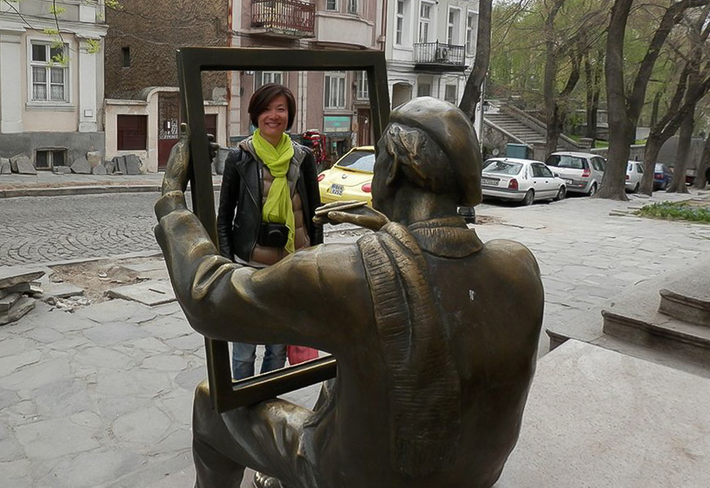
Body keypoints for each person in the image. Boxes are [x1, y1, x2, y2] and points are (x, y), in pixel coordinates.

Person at [155, 97, 543, 488]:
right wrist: (393, 231)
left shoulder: (342, 274)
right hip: (475, 476)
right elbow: (441, 293)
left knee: (211, 404)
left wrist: (172, 200)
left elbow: (207, 295)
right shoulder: (520, 267)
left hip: (352, 477)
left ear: (390, 173)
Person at [216, 83, 323, 381]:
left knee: (276, 350)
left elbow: (315, 216)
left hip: (291, 267)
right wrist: (226, 266)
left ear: (289, 115)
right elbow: (224, 217)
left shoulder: (303, 157)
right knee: (244, 349)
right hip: (249, 267)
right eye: (266, 109)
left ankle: (267, 403)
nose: (273, 116)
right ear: (255, 115)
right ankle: (243, 407)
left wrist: (316, 264)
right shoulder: (240, 157)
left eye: (280, 109)